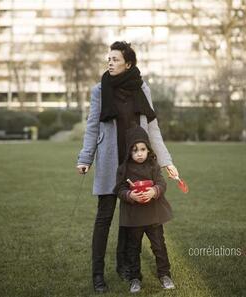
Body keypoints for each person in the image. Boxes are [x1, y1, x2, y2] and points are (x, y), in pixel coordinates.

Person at [76, 41, 179, 293]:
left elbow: (152, 127)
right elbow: (92, 126)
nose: (109, 62)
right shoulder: (100, 90)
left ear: (128, 63)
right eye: (108, 59)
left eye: (115, 59)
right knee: (104, 217)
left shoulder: (141, 88)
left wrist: (166, 161)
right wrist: (85, 158)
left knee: (128, 218)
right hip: (110, 160)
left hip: (135, 162)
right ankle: (97, 274)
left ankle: (124, 266)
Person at [114, 126, 175, 293]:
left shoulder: (153, 166)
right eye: (135, 150)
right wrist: (130, 195)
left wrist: (154, 191)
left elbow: (162, 183)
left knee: (159, 246)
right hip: (134, 217)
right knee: (133, 248)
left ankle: (164, 274)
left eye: (142, 149)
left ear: (148, 150)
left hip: (153, 214)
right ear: (129, 152)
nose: (139, 153)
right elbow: (118, 189)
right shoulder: (124, 169)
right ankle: (135, 278)